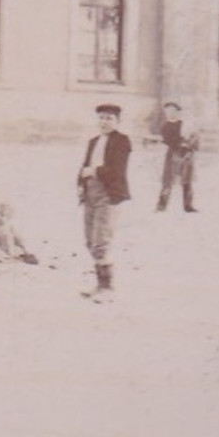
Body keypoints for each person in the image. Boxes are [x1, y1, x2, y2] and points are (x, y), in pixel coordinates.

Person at [76, 103, 132, 301]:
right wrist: (81, 183)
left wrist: (95, 172)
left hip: (109, 195)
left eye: (109, 118)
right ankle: (99, 286)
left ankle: (107, 288)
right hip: (90, 194)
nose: (104, 122)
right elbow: (85, 165)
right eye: (102, 118)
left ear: (117, 122)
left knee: (101, 242)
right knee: (90, 241)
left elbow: (117, 170)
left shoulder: (122, 141)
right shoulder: (93, 141)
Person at [155, 101, 199, 212]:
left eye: (173, 111)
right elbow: (169, 140)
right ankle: (161, 206)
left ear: (178, 112)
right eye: (168, 111)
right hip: (172, 154)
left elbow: (194, 137)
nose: (170, 113)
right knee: (167, 181)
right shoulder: (165, 126)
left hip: (187, 154)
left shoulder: (184, 124)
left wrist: (191, 145)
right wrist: (181, 143)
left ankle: (188, 206)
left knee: (187, 181)